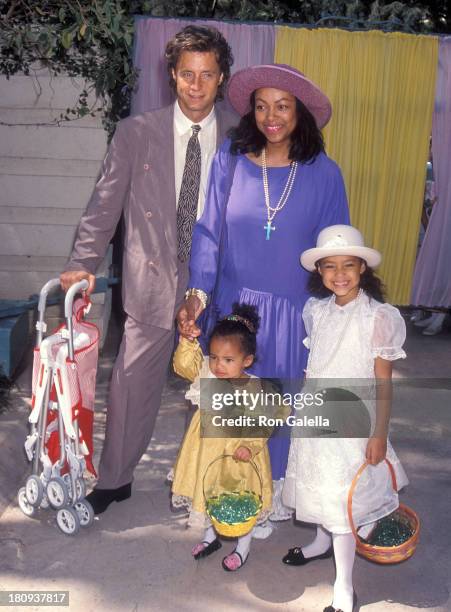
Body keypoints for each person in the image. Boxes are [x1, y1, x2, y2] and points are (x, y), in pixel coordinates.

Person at [59, 25, 236, 514]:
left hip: (222, 281)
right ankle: (114, 479)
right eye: (186, 75)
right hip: (153, 280)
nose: (196, 86)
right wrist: (82, 262)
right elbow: (104, 205)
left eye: (206, 75)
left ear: (221, 77)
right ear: (172, 77)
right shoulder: (136, 133)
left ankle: (231, 484)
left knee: (231, 383)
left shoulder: (243, 135)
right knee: (132, 384)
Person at [177, 64, 350, 530]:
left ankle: (270, 498)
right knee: (234, 411)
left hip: (295, 314)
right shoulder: (229, 162)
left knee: (284, 411)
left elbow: (337, 251)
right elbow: (209, 233)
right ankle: (232, 495)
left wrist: (343, 315)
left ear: (301, 113)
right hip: (236, 311)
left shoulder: (325, 174)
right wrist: (197, 295)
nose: (270, 117)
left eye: (282, 106)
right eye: (261, 106)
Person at [282, 225, 409, 612]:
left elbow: (383, 383)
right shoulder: (315, 310)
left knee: (344, 503)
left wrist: (379, 433)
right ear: (319, 271)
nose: (340, 274)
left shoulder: (379, 317)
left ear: (363, 269)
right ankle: (322, 543)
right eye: (330, 267)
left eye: (349, 266)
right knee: (321, 488)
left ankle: (344, 585)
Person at [171, 303, 275, 571]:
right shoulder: (206, 372)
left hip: (237, 457)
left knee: (238, 500)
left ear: (247, 360)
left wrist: (249, 446)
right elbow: (184, 366)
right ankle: (210, 537)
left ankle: (243, 545)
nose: (219, 365)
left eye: (228, 360)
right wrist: (187, 340)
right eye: (214, 356)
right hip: (206, 451)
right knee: (209, 494)